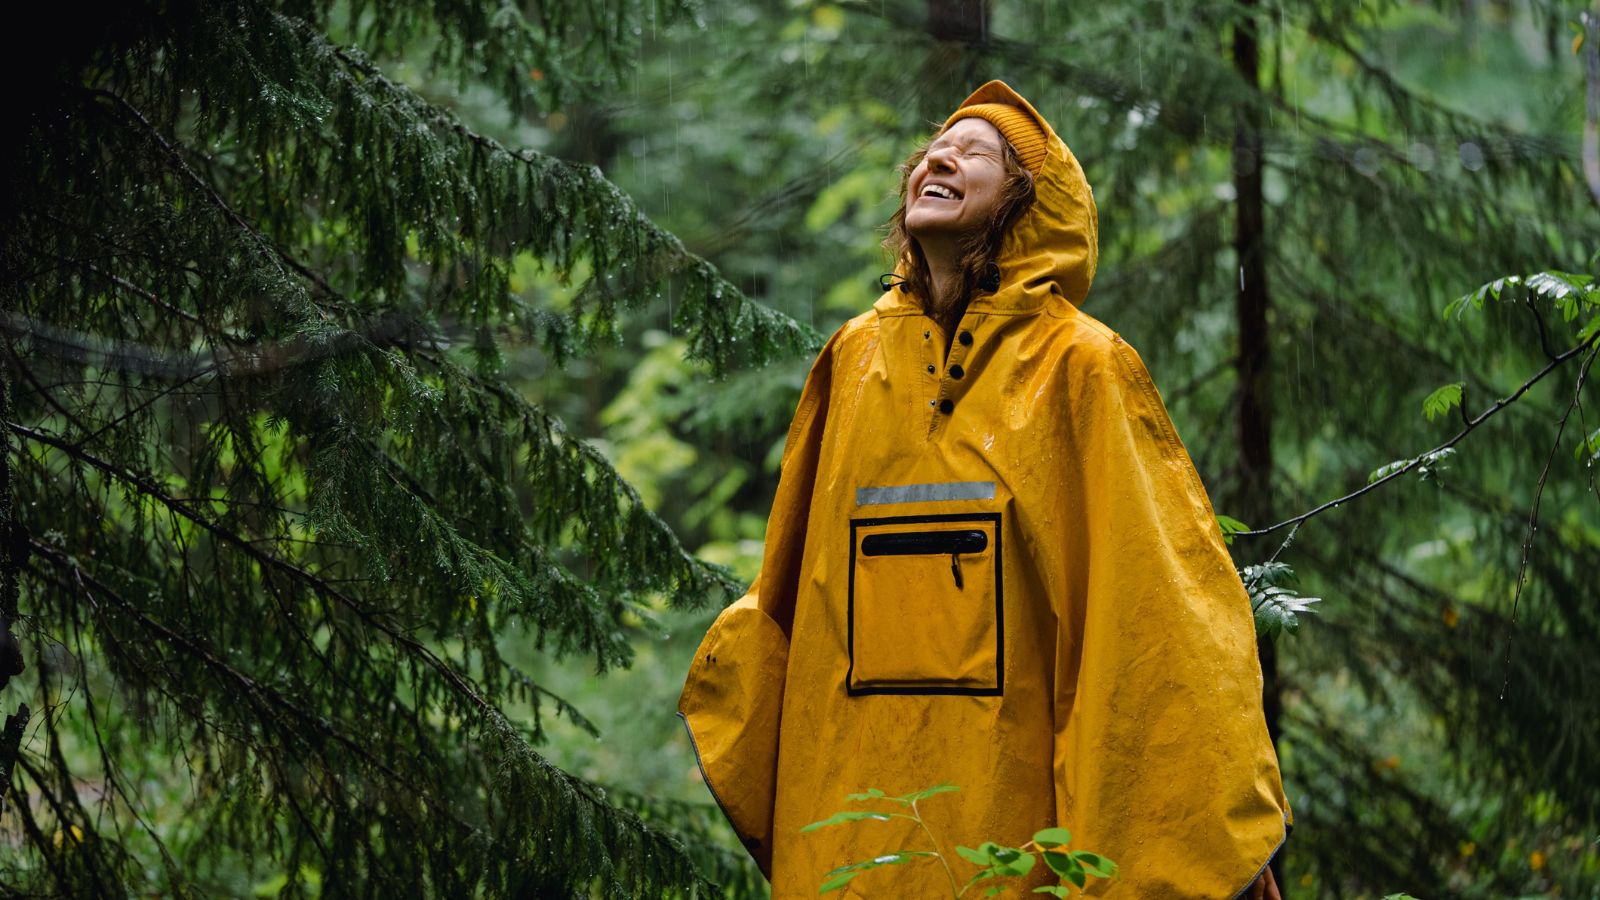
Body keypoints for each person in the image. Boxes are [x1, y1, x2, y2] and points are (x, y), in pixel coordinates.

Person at [678, 81, 1289, 898]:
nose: (939, 157)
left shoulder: (1084, 368)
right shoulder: (853, 361)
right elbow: (790, 598)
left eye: (976, 154)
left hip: (1016, 847)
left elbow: (1148, 616)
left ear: (1026, 204)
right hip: (852, 841)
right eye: (934, 147)